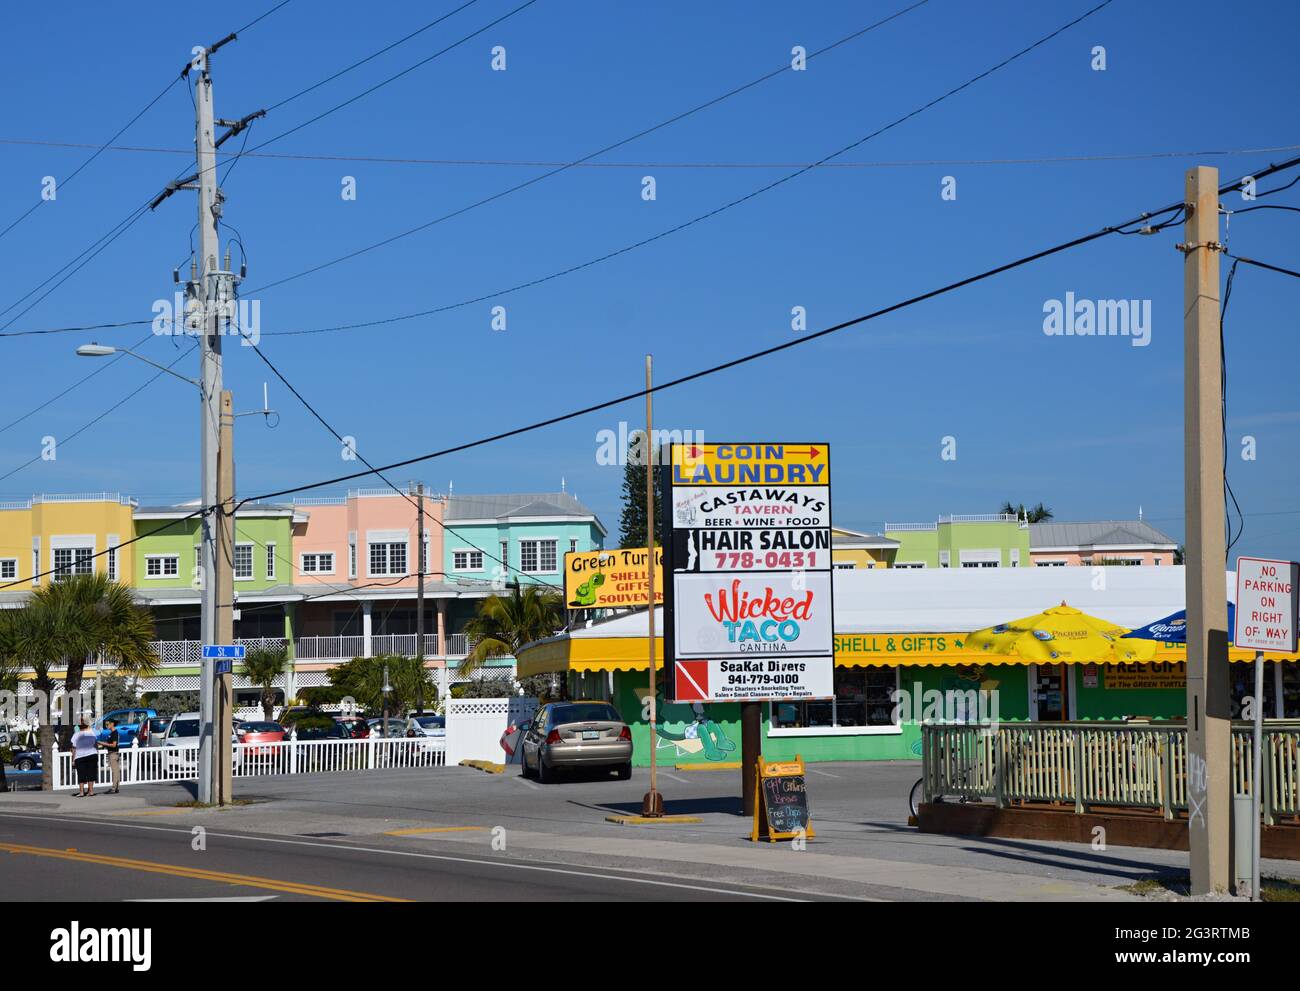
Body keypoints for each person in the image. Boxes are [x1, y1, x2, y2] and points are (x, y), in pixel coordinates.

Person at [71, 719, 99, 797]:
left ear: (79, 727)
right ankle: (91, 791)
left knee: (81, 774)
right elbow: (95, 744)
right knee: (91, 773)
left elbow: (74, 748)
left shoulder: (76, 735)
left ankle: (81, 792)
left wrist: (73, 759)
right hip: (92, 754)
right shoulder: (91, 733)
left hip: (80, 756)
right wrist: (97, 752)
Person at [99, 718, 121, 793]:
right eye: (106, 724)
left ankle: (114, 788)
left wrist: (103, 743)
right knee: (117, 771)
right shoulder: (112, 733)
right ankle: (116, 787)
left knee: (115, 771)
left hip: (113, 753)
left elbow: (114, 745)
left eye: (107, 724)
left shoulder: (114, 733)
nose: (106, 725)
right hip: (113, 753)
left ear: (112, 724)